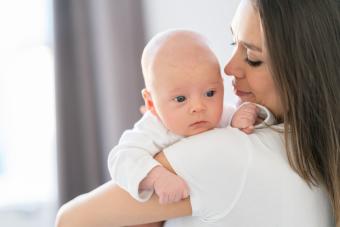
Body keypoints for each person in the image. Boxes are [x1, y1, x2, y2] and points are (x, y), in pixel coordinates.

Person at [55, 0, 340, 226]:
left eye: (252, 58)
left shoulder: (230, 153)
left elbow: (70, 220)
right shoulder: (317, 153)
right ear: (152, 102)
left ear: (307, 73)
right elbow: (124, 156)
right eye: (233, 44)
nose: (228, 68)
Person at [108, 29, 276, 207]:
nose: (198, 107)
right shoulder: (152, 128)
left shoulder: (222, 116)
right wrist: (156, 176)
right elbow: (120, 158)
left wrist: (239, 120)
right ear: (151, 103)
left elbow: (243, 128)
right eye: (180, 99)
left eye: (210, 93)